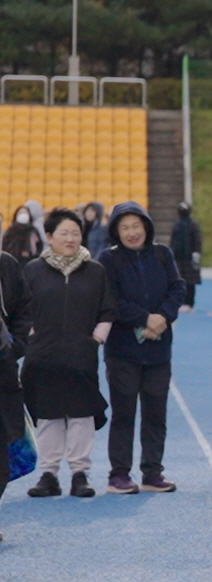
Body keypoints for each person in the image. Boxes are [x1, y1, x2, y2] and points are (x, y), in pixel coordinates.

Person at [23, 208, 116, 499]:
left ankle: (79, 473)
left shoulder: (95, 271)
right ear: (49, 236)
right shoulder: (33, 270)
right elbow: (20, 310)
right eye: (64, 233)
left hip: (81, 356)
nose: (70, 238)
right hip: (42, 356)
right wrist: (31, 337)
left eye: (76, 233)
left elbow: (107, 310)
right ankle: (48, 474)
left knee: (81, 414)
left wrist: (95, 340)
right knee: (48, 415)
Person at [97, 202, 185, 495]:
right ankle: (119, 474)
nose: (131, 232)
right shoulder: (108, 259)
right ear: (116, 232)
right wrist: (144, 319)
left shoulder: (162, 254)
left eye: (136, 225)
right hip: (122, 351)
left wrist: (162, 317)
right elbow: (111, 299)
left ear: (146, 226)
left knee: (155, 414)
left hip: (159, 350)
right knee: (123, 414)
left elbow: (177, 288)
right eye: (125, 227)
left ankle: (152, 472)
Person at [0, 247, 30, 536]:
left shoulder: (6, 264)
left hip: (3, 370)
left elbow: (23, 309)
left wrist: (15, 346)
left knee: (3, 452)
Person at [168, 201, 203, 311]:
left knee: (190, 282)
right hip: (178, 258)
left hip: (189, 258)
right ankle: (181, 302)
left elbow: (197, 241)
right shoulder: (177, 225)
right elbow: (173, 242)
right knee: (180, 282)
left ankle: (189, 303)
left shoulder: (193, 225)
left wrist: (196, 254)